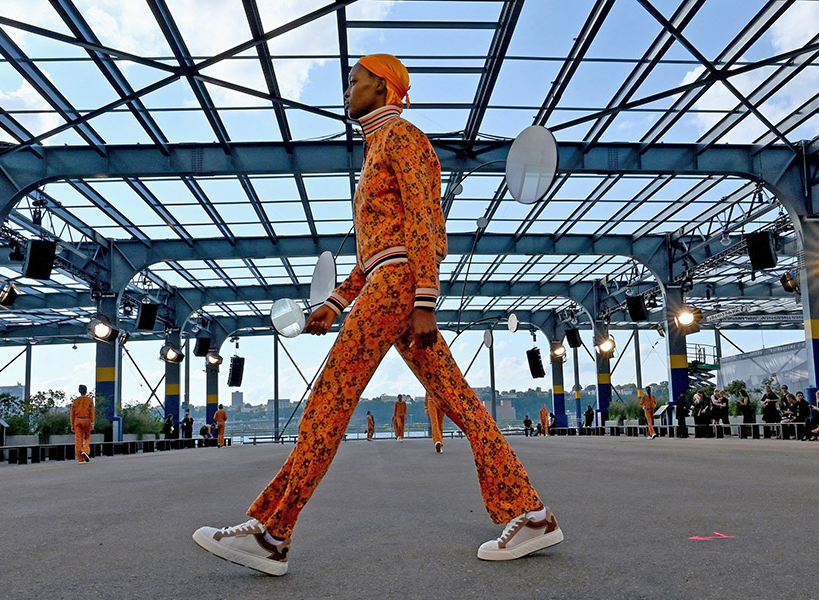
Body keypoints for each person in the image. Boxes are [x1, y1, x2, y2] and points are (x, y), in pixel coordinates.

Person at [192, 54, 563, 576]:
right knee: (459, 401)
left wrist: (424, 301)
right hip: (389, 283)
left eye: (354, 80)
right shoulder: (374, 151)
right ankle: (532, 513)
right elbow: (373, 254)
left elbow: (425, 220)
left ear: (383, 87)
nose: (346, 90)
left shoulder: (402, 138)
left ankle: (273, 532)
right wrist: (335, 304)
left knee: (331, 394)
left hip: (401, 286)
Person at [70, 384, 95, 463]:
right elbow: (92, 412)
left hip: (77, 420)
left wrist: (72, 424)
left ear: (79, 391)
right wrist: (92, 422)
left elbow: (72, 413)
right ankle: (85, 450)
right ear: (86, 391)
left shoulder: (75, 401)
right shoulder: (90, 400)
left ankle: (80, 459)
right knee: (87, 437)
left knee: (78, 439)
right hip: (86, 420)